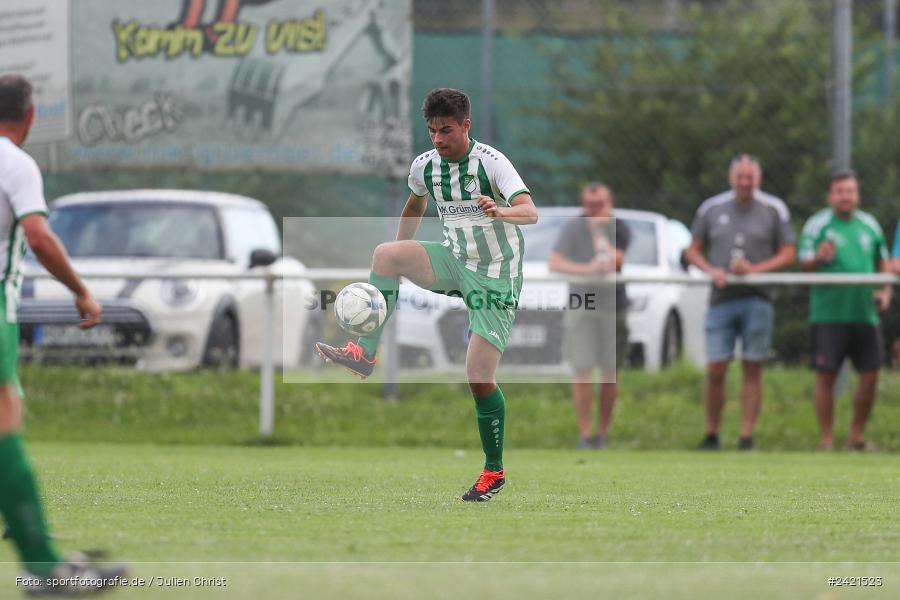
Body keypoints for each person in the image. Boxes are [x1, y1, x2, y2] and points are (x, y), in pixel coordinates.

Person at [315, 88, 537, 501]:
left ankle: (494, 471)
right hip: (453, 261)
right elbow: (415, 206)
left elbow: (530, 211)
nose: (438, 138)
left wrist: (500, 210)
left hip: (495, 277)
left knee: (478, 376)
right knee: (385, 255)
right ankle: (363, 353)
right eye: (432, 130)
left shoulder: (491, 163)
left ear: (466, 126)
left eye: (446, 130)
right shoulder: (425, 166)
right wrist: (399, 263)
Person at [0, 74, 125, 594]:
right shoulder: (15, 162)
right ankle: (44, 567)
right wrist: (80, 290)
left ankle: (34, 543)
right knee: (4, 423)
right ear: (30, 116)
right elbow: (39, 236)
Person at [683, 155, 795, 451]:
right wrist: (712, 270)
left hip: (759, 298)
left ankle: (746, 437)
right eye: (740, 177)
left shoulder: (774, 209)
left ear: (758, 179)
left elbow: (788, 253)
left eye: (750, 177)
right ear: (731, 178)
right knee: (716, 368)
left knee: (753, 366)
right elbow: (692, 250)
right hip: (721, 298)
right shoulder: (711, 208)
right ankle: (712, 434)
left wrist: (755, 271)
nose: (745, 183)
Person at [798, 170, 891, 451]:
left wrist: (885, 291)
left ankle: (856, 436)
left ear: (857, 194)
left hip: (864, 313)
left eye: (850, 191)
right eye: (839, 192)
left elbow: (883, 262)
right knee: (826, 375)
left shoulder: (869, 225)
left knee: (871, 374)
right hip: (829, 313)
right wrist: (818, 257)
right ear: (830, 196)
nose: (845, 197)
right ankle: (826, 439)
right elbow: (803, 262)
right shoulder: (817, 225)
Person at [548, 183, 630, 449]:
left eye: (600, 204)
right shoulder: (573, 227)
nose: (594, 210)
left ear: (610, 203)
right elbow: (555, 262)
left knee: (609, 371)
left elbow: (612, 262)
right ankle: (584, 434)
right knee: (582, 368)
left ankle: (602, 434)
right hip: (582, 302)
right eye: (590, 205)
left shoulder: (620, 227)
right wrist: (586, 270)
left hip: (613, 304)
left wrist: (598, 233)